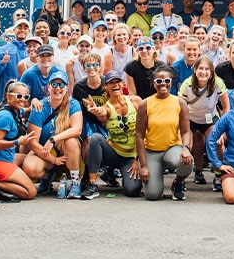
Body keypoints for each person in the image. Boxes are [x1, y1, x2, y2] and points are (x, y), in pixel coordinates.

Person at [81, 70, 143, 199]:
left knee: (133, 191)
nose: (115, 85)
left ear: (122, 84)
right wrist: (96, 110)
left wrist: (138, 160)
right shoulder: (107, 107)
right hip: (113, 153)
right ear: (106, 87)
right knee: (95, 138)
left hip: (131, 156)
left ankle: (110, 173)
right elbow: (102, 113)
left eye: (118, 81)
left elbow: (144, 131)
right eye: (111, 83)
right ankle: (92, 184)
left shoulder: (136, 101)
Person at [135, 65, 193, 201]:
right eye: (159, 81)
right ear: (153, 84)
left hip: (171, 148)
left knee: (187, 161)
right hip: (151, 151)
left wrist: (186, 148)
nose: (163, 84)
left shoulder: (180, 103)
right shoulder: (145, 104)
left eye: (167, 81)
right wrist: (143, 166)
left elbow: (186, 131)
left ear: (171, 82)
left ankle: (177, 184)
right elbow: (139, 136)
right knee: (152, 195)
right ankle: (154, 174)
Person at [23, 70, 84, 199]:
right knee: (30, 168)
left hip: (65, 148)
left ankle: (75, 182)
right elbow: (33, 142)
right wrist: (53, 160)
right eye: (54, 84)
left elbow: (77, 129)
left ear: (66, 87)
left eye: (61, 85)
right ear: (48, 87)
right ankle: (48, 174)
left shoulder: (73, 104)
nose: (58, 88)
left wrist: (53, 139)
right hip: (47, 151)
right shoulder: (40, 106)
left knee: (71, 141)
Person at [178, 56, 229, 187]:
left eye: (207, 69)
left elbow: (226, 107)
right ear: (195, 70)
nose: (203, 72)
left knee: (218, 142)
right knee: (189, 143)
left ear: (211, 72)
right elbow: (180, 108)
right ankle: (194, 172)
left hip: (210, 119)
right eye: (200, 68)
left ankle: (218, 175)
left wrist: (222, 127)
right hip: (191, 119)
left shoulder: (218, 83)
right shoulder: (187, 84)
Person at [0, 82, 37, 200]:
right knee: (30, 192)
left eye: (26, 97)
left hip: (6, 157)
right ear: (8, 96)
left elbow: (26, 110)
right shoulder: (5, 117)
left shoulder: (15, 111)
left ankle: (7, 181)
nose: (22, 99)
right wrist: (17, 142)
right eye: (18, 96)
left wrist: (35, 101)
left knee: (27, 159)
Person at [0, 18, 31, 103]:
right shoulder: (4, 49)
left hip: (26, 96)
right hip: (7, 96)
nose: (22, 30)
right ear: (14, 30)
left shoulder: (31, 50)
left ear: (29, 31)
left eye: (25, 28)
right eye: (19, 27)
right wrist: (2, 63)